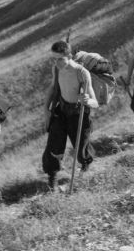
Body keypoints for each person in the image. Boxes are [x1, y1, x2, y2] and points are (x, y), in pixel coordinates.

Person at [42, 41, 98, 190]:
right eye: (54, 59)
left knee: (80, 149)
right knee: (54, 145)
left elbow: (95, 102)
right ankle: (52, 177)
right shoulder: (57, 69)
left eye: (60, 59)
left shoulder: (81, 72)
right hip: (62, 111)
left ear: (70, 56)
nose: (57, 62)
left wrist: (88, 100)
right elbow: (53, 87)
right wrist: (46, 109)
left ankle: (85, 165)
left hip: (79, 114)